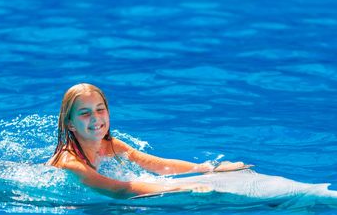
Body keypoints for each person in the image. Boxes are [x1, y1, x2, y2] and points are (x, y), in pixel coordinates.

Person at [47, 83, 251, 199]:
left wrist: (207, 169)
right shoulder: (71, 163)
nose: (96, 118)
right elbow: (119, 189)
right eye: (85, 113)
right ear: (71, 124)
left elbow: (155, 164)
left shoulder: (109, 145)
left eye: (100, 109)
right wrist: (179, 189)